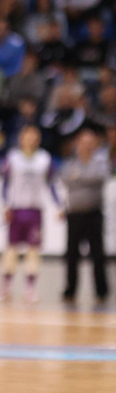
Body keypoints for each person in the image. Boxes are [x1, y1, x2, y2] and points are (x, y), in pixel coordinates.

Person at [0, 125, 59, 304]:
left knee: (33, 252)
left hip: (35, 210)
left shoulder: (45, 159)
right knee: (11, 250)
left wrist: (58, 206)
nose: (31, 140)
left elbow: (52, 184)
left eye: (34, 136)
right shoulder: (12, 158)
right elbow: (4, 184)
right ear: (21, 138)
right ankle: (5, 288)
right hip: (16, 209)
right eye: (27, 136)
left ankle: (30, 289)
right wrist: (5, 205)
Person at [60, 129, 110, 303]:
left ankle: (101, 291)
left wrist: (79, 178)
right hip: (74, 215)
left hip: (94, 214)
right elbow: (66, 179)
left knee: (98, 255)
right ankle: (70, 291)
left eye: (90, 142)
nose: (87, 145)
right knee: (72, 255)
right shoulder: (70, 163)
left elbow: (100, 177)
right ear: (77, 143)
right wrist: (85, 179)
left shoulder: (101, 161)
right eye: (83, 142)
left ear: (95, 144)